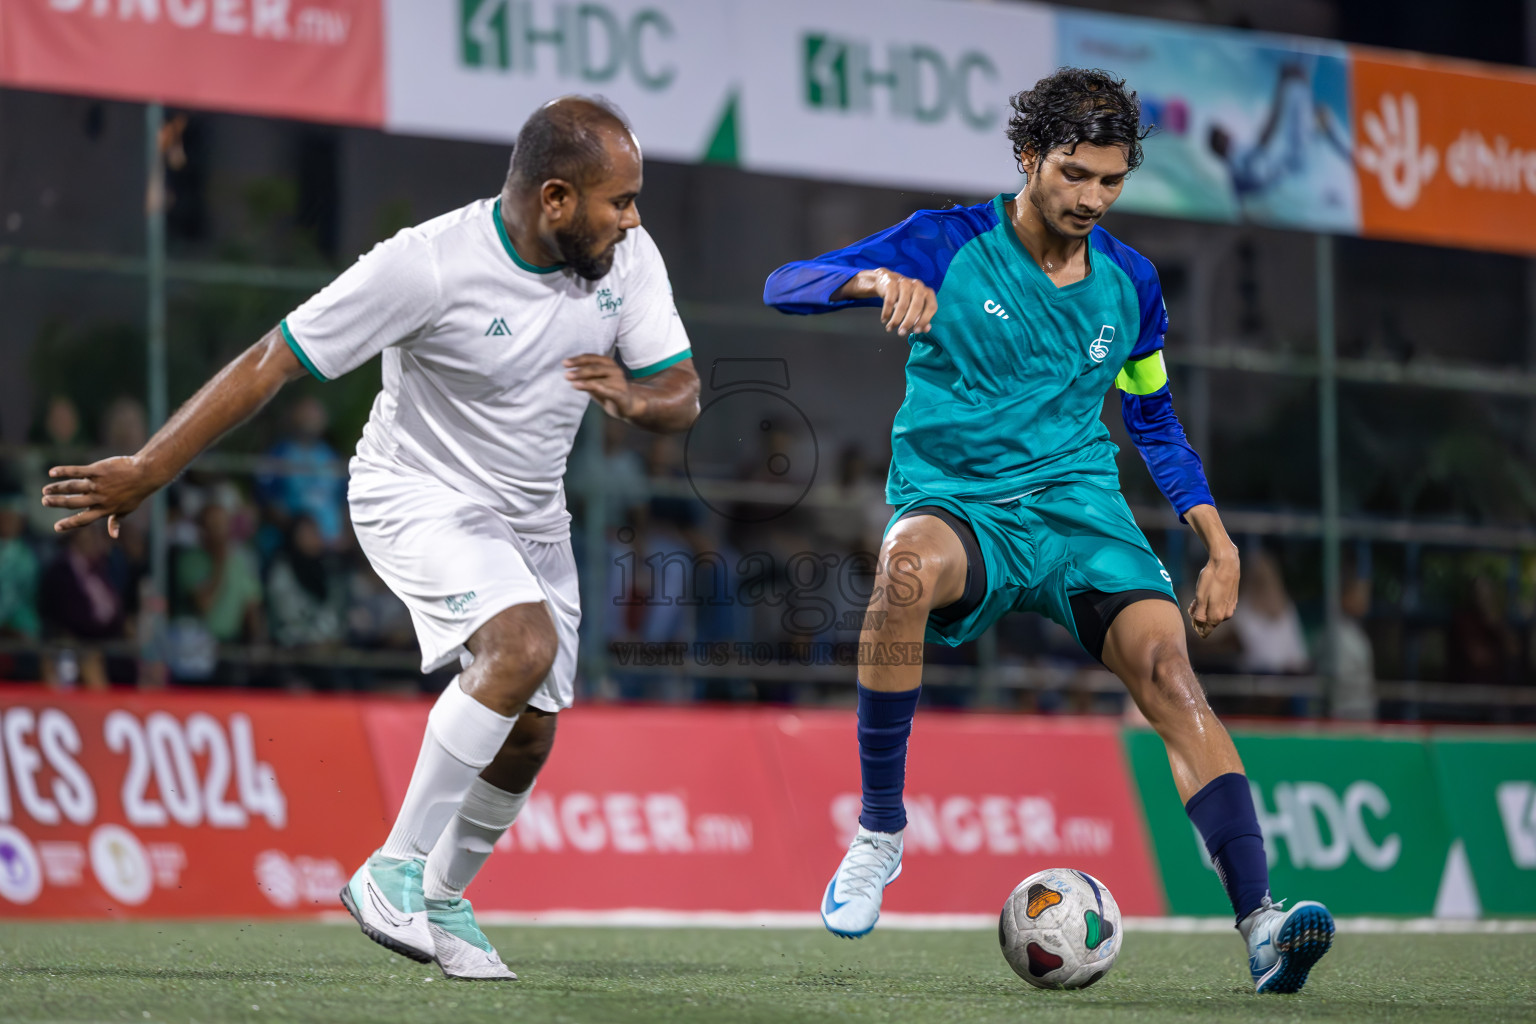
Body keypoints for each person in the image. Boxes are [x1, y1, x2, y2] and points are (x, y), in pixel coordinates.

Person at [41, 96, 699, 980]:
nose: (634, 217)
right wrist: (154, 467)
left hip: (533, 519)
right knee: (520, 644)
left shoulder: (628, 258)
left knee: (532, 731)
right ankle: (390, 870)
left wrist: (636, 399)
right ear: (554, 199)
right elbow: (275, 358)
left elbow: (683, 390)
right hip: (414, 492)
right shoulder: (426, 266)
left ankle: (445, 894)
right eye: (619, 200)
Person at [764, 68, 1332, 994]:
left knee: (1168, 671)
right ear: (1029, 158)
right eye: (1074, 174)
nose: (1092, 198)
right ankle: (878, 833)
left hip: (1079, 513)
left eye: (1111, 181)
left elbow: (1152, 420)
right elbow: (784, 285)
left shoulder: (1132, 284)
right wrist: (871, 279)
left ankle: (1263, 922)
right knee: (902, 575)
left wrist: (1217, 539)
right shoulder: (946, 241)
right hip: (963, 504)